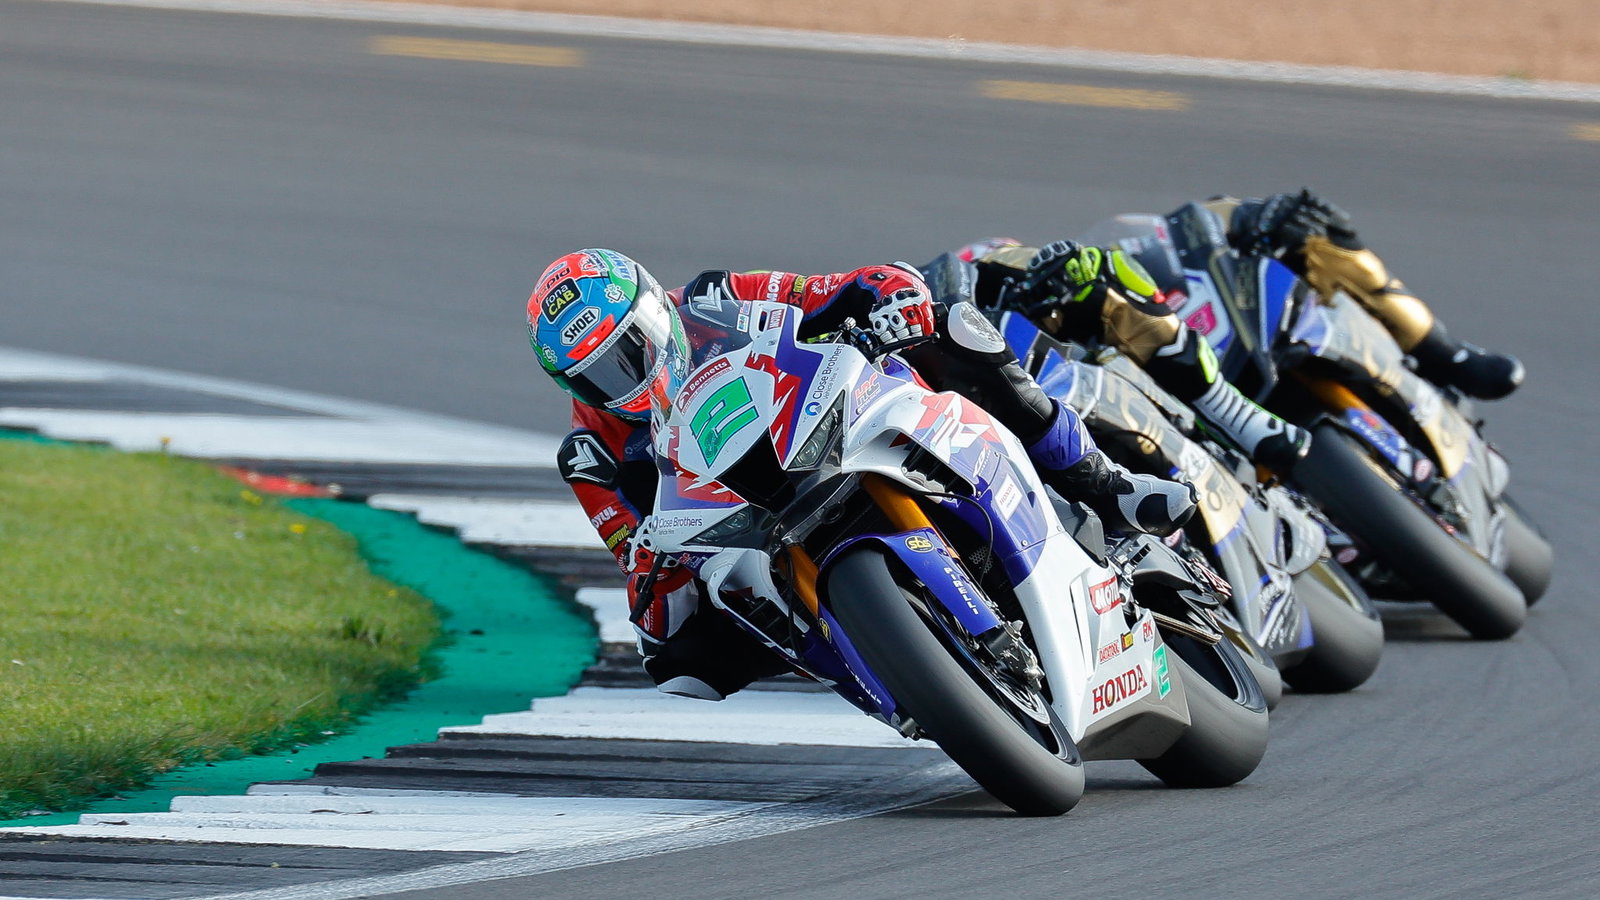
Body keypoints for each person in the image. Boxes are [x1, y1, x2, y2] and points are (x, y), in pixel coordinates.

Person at [527, 248, 1196, 701]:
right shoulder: (591, 450)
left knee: (952, 329)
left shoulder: (711, 298)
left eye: (629, 351)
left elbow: (837, 289)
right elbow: (634, 557)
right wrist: (649, 562)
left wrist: (892, 297)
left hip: (824, 422)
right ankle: (878, 668)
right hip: (742, 523)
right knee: (676, 661)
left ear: (652, 311)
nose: (623, 378)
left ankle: (1100, 482)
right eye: (597, 374)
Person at [956, 189, 1525, 472]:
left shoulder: (1102, 262)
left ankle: (1445, 354)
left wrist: (1260, 217)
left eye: (1011, 270)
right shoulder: (1030, 354)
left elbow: (1202, 221)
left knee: (1316, 226)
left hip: (1218, 339)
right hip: (1158, 410)